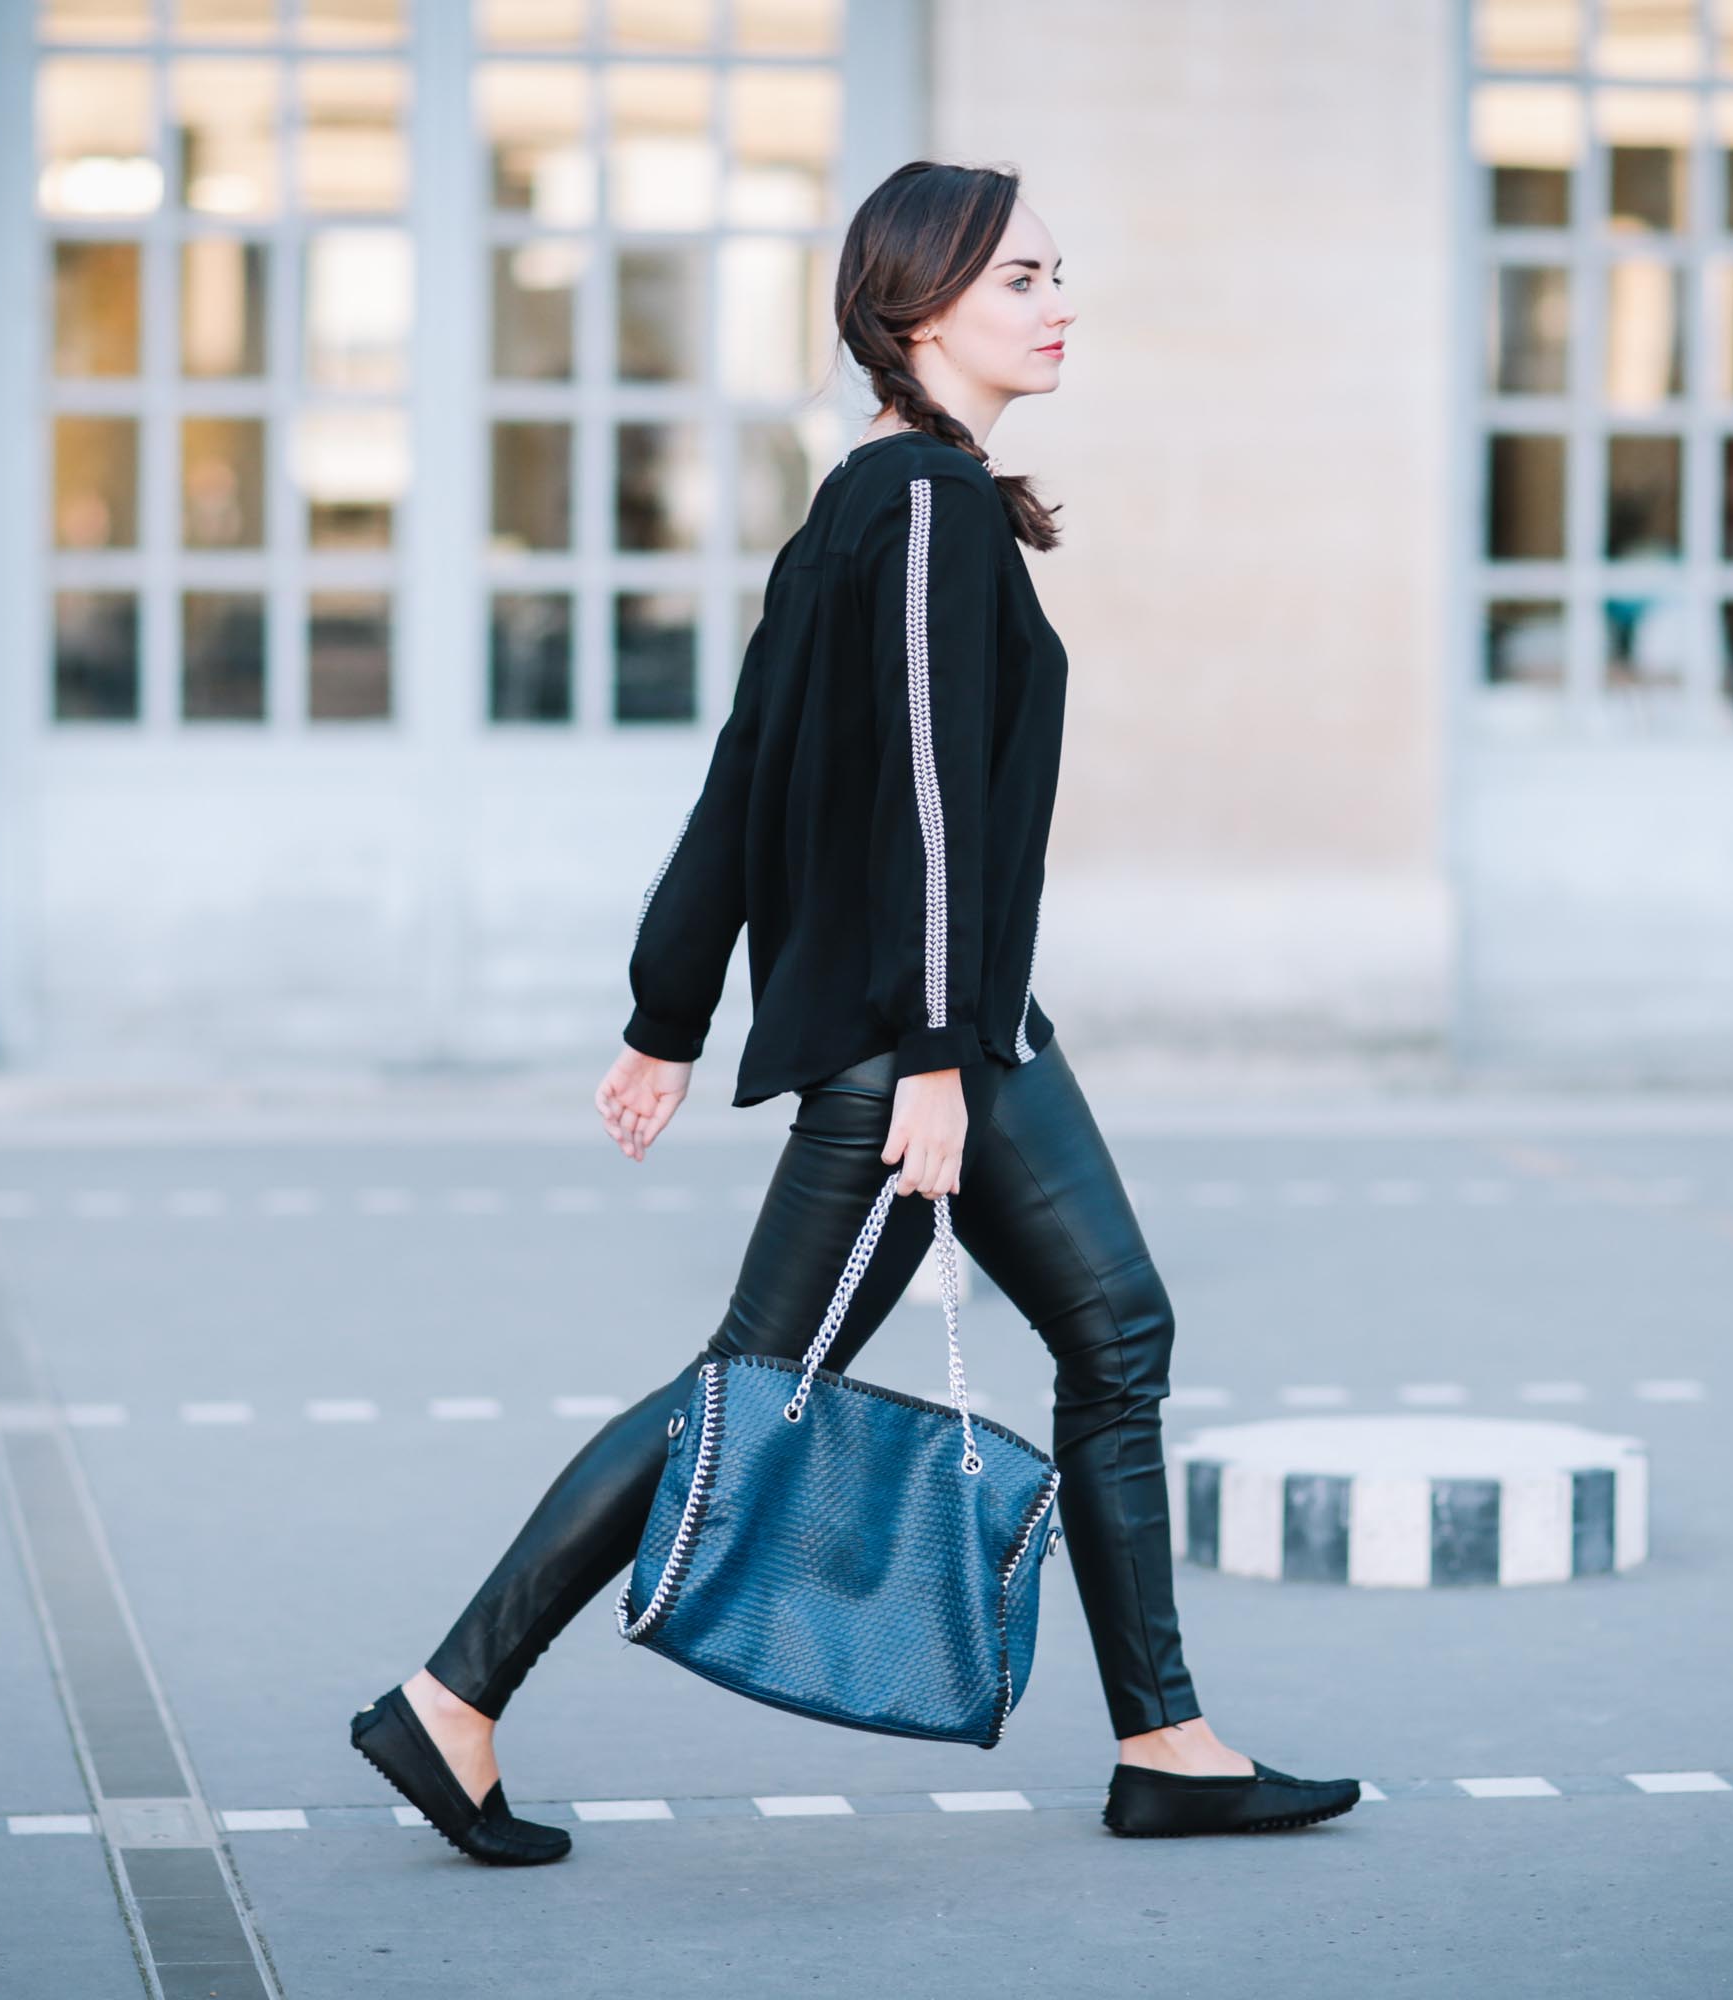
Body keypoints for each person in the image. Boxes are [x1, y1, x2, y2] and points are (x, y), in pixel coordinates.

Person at [350, 160, 1360, 1864]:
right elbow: (926, 802)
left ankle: (1168, 1741)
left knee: (1119, 1336)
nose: (1060, 305)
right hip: (926, 1042)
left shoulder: (872, 504)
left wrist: (668, 1013)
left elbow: (751, 776)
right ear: (922, 310)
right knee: (753, 1380)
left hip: (962, 1030)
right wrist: (938, 1058)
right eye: (1026, 278)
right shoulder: (920, 512)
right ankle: (454, 1700)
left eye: (1060, 275)